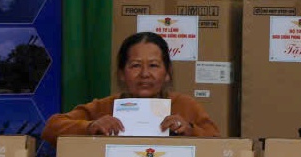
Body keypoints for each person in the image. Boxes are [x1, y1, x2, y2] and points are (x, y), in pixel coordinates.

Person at [41, 32, 219, 143]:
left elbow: (219, 144)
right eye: (135, 65)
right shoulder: (105, 107)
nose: (144, 74)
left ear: (167, 73)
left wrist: (190, 130)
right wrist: (90, 127)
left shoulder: (185, 105)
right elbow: (52, 128)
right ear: (121, 73)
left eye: (154, 65)